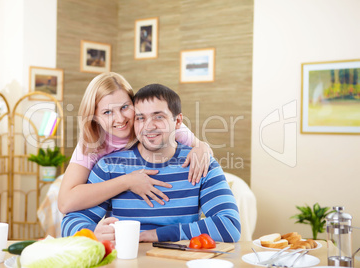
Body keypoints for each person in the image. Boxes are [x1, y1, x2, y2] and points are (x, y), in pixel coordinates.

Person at [61, 83, 241, 244]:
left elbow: (230, 226)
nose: (148, 126)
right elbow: (70, 221)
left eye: (158, 117)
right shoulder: (107, 166)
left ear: (177, 121)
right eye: (140, 118)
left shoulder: (201, 163)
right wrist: (93, 233)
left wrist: (158, 234)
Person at [58, 72, 213, 214]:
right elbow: (65, 202)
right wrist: (127, 181)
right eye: (107, 112)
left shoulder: (157, 127)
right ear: (95, 118)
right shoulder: (92, 143)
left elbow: (204, 151)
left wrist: (203, 147)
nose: (120, 119)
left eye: (125, 107)